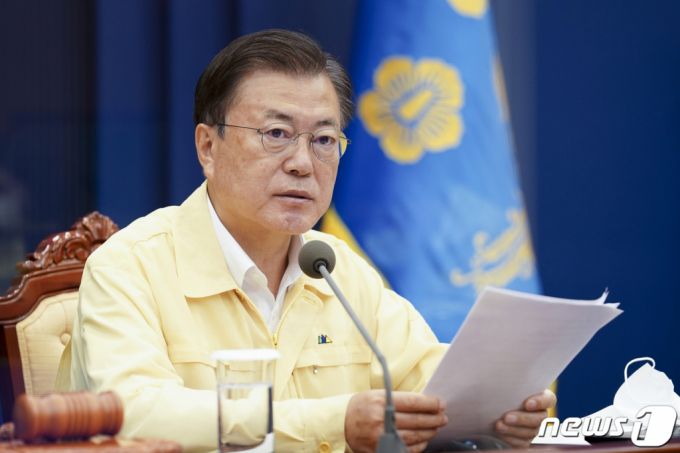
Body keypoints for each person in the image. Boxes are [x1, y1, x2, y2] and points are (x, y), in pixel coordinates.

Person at [56, 29, 555, 453]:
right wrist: (335, 421)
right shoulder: (130, 267)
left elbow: (430, 383)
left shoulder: (336, 269)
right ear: (208, 147)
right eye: (276, 133)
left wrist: (501, 407)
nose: (302, 163)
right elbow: (133, 413)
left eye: (323, 140)